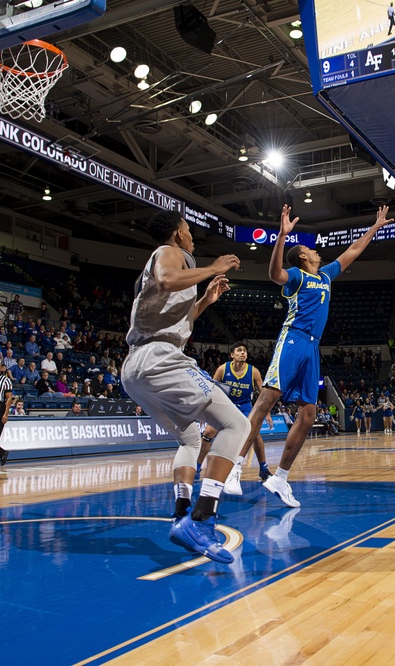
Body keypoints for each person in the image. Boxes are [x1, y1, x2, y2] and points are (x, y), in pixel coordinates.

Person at [236, 205, 392, 509]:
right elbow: (273, 273)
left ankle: (280, 477)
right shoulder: (296, 276)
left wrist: (375, 227)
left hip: (312, 346)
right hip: (292, 339)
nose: (316, 250)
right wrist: (281, 236)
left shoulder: (327, 275)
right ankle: (235, 466)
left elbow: (353, 251)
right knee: (266, 401)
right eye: (310, 249)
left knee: (307, 416)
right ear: (303, 257)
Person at [119, 210, 247, 564]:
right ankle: (204, 520)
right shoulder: (171, 253)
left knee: (191, 438)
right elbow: (166, 278)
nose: (192, 237)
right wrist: (213, 267)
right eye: (189, 230)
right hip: (159, 357)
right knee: (237, 424)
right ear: (178, 233)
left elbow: (174, 316)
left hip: (135, 368)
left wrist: (205, 300)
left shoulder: (177, 267)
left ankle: (181, 514)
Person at [214, 341, 273, 496]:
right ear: (232, 354)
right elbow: (212, 389)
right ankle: (199, 467)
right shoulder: (222, 369)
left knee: (255, 435)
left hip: (246, 407)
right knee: (208, 433)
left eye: (245, 351)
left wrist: (266, 413)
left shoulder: (253, 372)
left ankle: (263, 468)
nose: (243, 353)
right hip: (227, 406)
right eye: (239, 350)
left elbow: (263, 394)